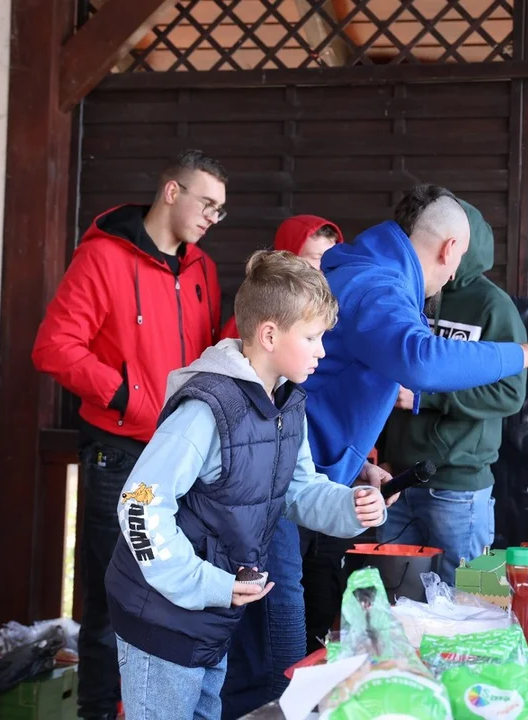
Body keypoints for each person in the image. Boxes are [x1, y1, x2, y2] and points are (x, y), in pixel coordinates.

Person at [290, 183, 528, 654]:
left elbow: (330, 384)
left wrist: (357, 462)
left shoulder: (368, 272)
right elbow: (420, 359)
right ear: (451, 249)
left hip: (345, 474)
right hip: (293, 478)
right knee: (283, 626)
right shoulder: (377, 285)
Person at [103, 250, 387, 720]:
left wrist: (350, 507)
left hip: (211, 616)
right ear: (269, 334)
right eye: (313, 337)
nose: (322, 351)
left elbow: (299, 490)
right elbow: (138, 504)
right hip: (161, 613)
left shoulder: (287, 405)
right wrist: (206, 583)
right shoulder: (207, 409)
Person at [31, 150, 226, 720]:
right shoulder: (101, 258)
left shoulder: (204, 271)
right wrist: (129, 398)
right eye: (206, 203)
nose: (213, 217)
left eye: (220, 210)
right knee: (109, 607)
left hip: (181, 460)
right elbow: (54, 347)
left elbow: (209, 351)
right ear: (172, 191)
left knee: (170, 600)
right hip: (116, 454)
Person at [217, 214, 343, 707]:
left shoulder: (297, 376)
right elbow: (146, 503)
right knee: (266, 637)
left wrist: (351, 499)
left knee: (290, 624)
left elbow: (302, 475)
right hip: (238, 532)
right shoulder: (227, 374)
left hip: (294, 499)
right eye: (311, 260)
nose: (321, 272)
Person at [376, 199, 528, 585]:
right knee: (397, 603)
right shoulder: (408, 292)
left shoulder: (494, 306)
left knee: (462, 603)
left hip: (459, 484)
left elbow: (509, 394)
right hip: (396, 478)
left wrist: (427, 398)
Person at [220, 215, 342, 340]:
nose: (326, 265)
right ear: (290, 256)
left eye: (332, 258)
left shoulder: (336, 304)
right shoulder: (258, 309)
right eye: (316, 257)